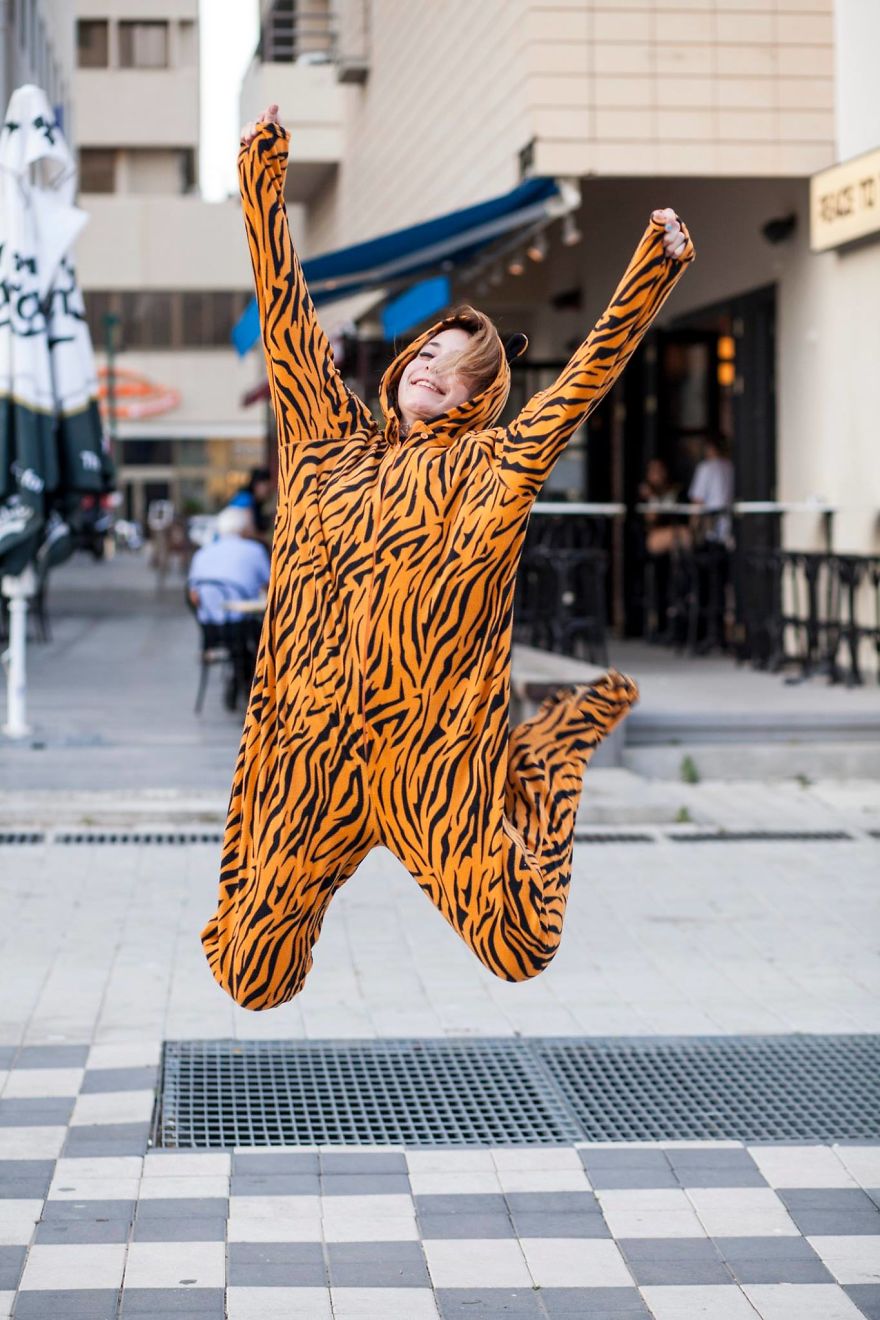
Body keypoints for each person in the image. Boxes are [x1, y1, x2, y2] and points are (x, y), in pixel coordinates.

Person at [201, 103, 695, 1011]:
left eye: (463, 367)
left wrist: (649, 275)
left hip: (438, 759)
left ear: (482, 394)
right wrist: (262, 180)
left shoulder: (499, 463)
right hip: (316, 752)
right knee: (251, 977)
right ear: (401, 365)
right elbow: (285, 322)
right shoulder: (327, 445)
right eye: (429, 351)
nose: (436, 367)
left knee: (520, 946)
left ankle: (546, 756)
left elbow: (581, 382)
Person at [187, 505, 270, 624]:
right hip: (245, 623)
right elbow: (270, 585)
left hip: (209, 624)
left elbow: (193, 595)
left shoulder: (201, 553)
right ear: (244, 528)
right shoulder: (255, 550)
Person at [688, 435, 734, 544]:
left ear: (711, 448)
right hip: (729, 525)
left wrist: (693, 527)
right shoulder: (731, 467)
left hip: (711, 525)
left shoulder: (705, 468)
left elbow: (698, 500)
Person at [229, 466, 274, 541]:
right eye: (266, 485)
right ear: (256, 485)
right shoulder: (246, 499)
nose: (268, 490)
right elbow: (250, 532)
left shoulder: (254, 502)